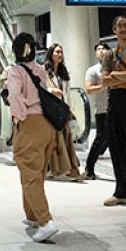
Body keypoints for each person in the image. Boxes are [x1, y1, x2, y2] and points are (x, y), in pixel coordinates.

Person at [7, 32, 59, 243]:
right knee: (36, 172)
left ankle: (46, 221)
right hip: (46, 123)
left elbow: (15, 96)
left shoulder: (15, 71)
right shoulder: (39, 69)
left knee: (29, 173)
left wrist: (19, 118)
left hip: (30, 122)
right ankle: (32, 215)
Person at [100, 16, 126, 207]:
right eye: (119, 26)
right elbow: (104, 80)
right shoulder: (110, 54)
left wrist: (115, 75)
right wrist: (124, 77)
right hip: (114, 101)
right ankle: (121, 191)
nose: (123, 28)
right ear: (114, 30)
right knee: (116, 147)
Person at [44, 44, 83, 181]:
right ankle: (52, 169)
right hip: (50, 110)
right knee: (53, 140)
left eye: (61, 52)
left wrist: (70, 109)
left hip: (62, 110)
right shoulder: (43, 71)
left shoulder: (64, 72)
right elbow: (39, 88)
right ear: (51, 54)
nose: (60, 54)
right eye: (57, 52)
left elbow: (67, 93)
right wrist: (51, 91)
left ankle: (72, 170)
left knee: (66, 138)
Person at [84, 42, 110, 180]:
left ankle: (125, 171)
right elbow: (88, 89)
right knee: (100, 139)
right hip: (102, 110)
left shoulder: (114, 67)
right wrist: (104, 86)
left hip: (117, 109)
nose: (101, 51)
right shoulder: (93, 70)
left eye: (103, 49)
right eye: (98, 49)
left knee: (118, 140)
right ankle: (89, 167)